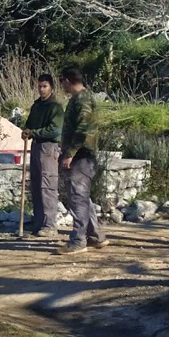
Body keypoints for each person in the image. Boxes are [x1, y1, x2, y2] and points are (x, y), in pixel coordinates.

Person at [58, 66, 108, 254]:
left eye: (62, 80)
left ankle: (78, 241)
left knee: (77, 197)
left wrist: (70, 153)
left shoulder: (84, 101)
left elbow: (82, 130)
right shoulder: (77, 100)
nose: (61, 85)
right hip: (79, 154)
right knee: (82, 197)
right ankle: (95, 237)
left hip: (81, 155)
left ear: (69, 81)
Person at [21, 74, 64, 237]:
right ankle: (39, 222)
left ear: (51, 87)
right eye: (39, 86)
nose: (41, 89)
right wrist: (26, 132)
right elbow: (30, 124)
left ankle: (50, 224)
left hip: (49, 147)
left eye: (44, 86)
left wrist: (34, 132)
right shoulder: (37, 105)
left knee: (48, 185)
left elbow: (56, 130)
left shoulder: (55, 107)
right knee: (36, 185)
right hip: (36, 146)